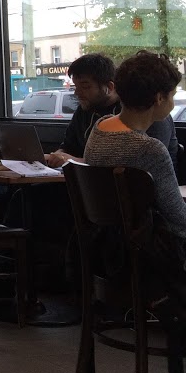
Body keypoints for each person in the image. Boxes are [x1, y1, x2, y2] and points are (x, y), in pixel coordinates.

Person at [84, 51, 186, 247]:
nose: (173, 103)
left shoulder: (99, 129)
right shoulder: (150, 149)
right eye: (172, 95)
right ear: (159, 98)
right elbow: (177, 217)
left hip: (102, 245)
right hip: (148, 251)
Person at [46, 52, 177, 168]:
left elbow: (133, 166)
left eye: (85, 87)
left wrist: (72, 161)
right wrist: (57, 156)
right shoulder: (85, 110)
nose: (77, 93)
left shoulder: (147, 116)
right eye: (75, 86)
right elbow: (68, 147)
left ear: (110, 87)